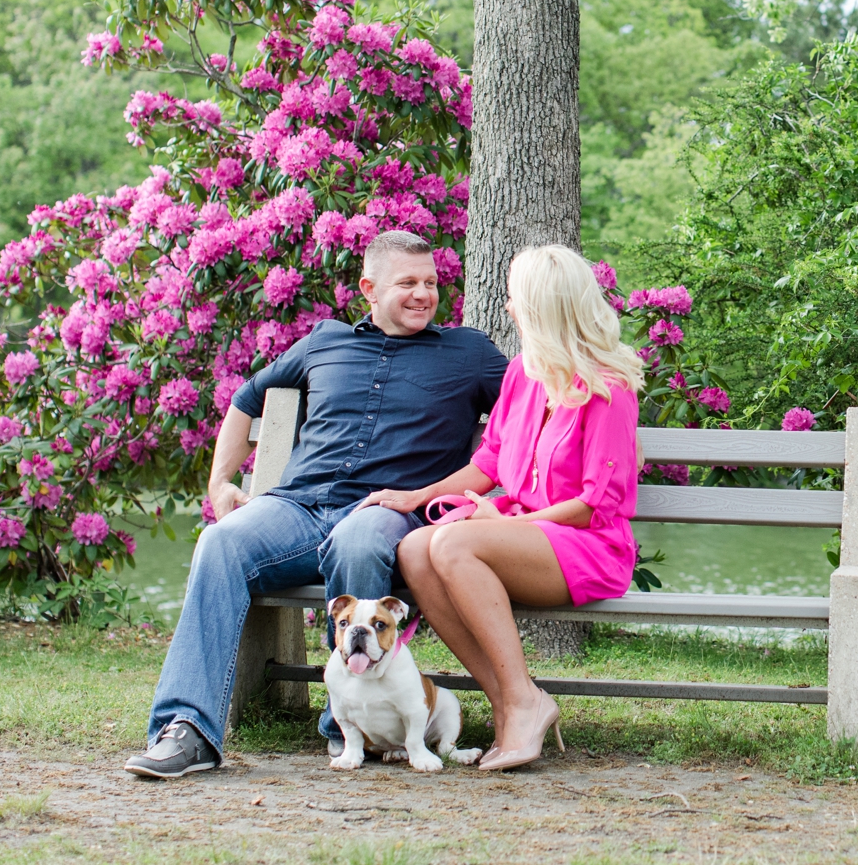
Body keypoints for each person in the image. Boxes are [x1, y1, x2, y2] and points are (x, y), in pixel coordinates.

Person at [124, 230, 508, 779]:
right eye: (408, 283)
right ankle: (188, 731)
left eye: (431, 282)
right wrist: (219, 483)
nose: (424, 294)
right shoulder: (324, 341)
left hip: (387, 512)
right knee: (219, 542)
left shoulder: (468, 353)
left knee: (356, 540)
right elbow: (245, 399)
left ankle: (346, 727)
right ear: (368, 289)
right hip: (296, 507)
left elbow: (533, 410)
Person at [360, 244, 643, 770]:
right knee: (416, 548)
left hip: (588, 547)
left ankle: (523, 700)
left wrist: (502, 521)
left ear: (541, 309)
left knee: (453, 540)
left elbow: (591, 504)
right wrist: (419, 496)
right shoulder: (523, 373)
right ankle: (510, 701)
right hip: (521, 534)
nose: (509, 307)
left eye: (515, 299)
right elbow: (490, 461)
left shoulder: (610, 388)